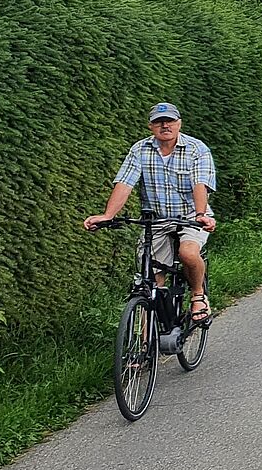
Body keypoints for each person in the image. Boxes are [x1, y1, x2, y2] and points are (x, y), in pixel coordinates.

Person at [84, 102, 217, 324]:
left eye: (170, 121)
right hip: (156, 220)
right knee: (150, 283)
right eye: (158, 122)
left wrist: (201, 214)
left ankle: (197, 295)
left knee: (188, 253)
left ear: (179, 123)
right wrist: (107, 215)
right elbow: (125, 183)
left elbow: (200, 184)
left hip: (191, 217)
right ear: (151, 126)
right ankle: (144, 349)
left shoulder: (197, 149)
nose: (165, 125)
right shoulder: (140, 149)